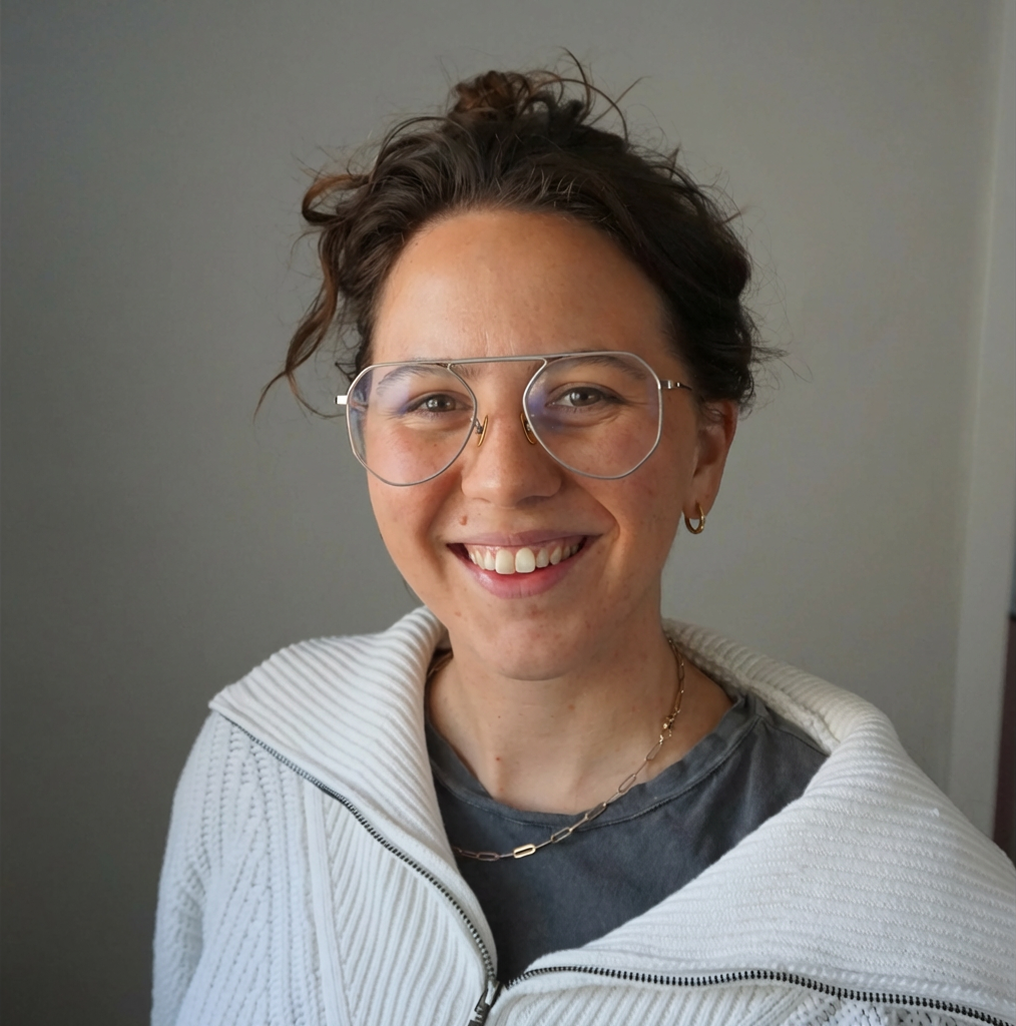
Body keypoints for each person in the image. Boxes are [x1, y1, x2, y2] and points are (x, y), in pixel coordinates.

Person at [152, 68, 1015, 1026]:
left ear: (705, 453)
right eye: (435, 401)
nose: (502, 479)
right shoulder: (260, 755)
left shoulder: (926, 951)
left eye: (585, 395)